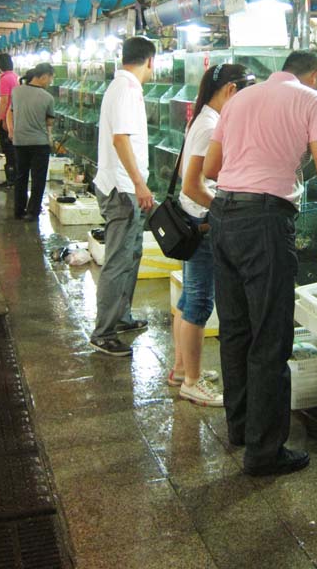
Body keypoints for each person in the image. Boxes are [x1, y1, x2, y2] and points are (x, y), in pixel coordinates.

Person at [203, 49, 317, 477]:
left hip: (222, 216)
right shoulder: (314, 101)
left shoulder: (240, 98)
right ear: (315, 75)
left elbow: (211, 166)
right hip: (264, 223)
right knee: (270, 338)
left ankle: (241, 429)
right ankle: (264, 452)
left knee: (236, 331)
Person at [170, 63, 254, 407]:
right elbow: (191, 183)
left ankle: (180, 369)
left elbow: (187, 175)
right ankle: (191, 381)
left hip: (192, 220)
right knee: (200, 304)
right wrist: (224, 209)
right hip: (202, 224)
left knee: (189, 300)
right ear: (232, 91)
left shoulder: (203, 118)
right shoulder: (210, 126)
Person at [90, 36, 156, 357]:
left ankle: (122, 317)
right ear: (150, 61)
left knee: (132, 254)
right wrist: (139, 184)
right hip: (122, 191)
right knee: (117, 260)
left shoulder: (122, 88)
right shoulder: (127, 90)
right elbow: (121, 141)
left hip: (124, 187)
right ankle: (103, 332)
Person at [7, 63, 55, 222]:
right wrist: (50, 140)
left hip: (19, 141)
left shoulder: (16, 91)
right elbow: (49, 123)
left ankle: (18, 211)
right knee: (38, 179)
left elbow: (11, 112)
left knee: (21, 177)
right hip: (39, 143)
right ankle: (32, 212)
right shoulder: (48, 97)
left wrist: (11, 131)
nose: (50, 81)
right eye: (50, 78)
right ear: (43, 77)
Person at [0, 53, 18, 190]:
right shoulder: (14, 76)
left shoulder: (5, 78)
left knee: (8, 150)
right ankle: (13, 179)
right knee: (12, 150)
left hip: (8, 118)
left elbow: (4, 101)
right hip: (15, 116)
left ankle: (11, 180)